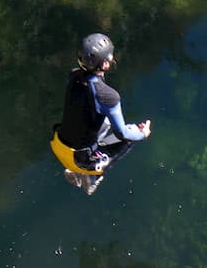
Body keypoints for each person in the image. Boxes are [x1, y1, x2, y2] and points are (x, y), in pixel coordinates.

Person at [50, 33, 152, 195]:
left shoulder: (74, 75)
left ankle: (80, 166)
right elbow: (123, 133)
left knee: (103, 121)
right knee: (129, 137)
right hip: (78, 159)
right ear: (105, 64)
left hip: (57, 144)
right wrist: (142, 133)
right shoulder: (108, 96)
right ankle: (91, 177)